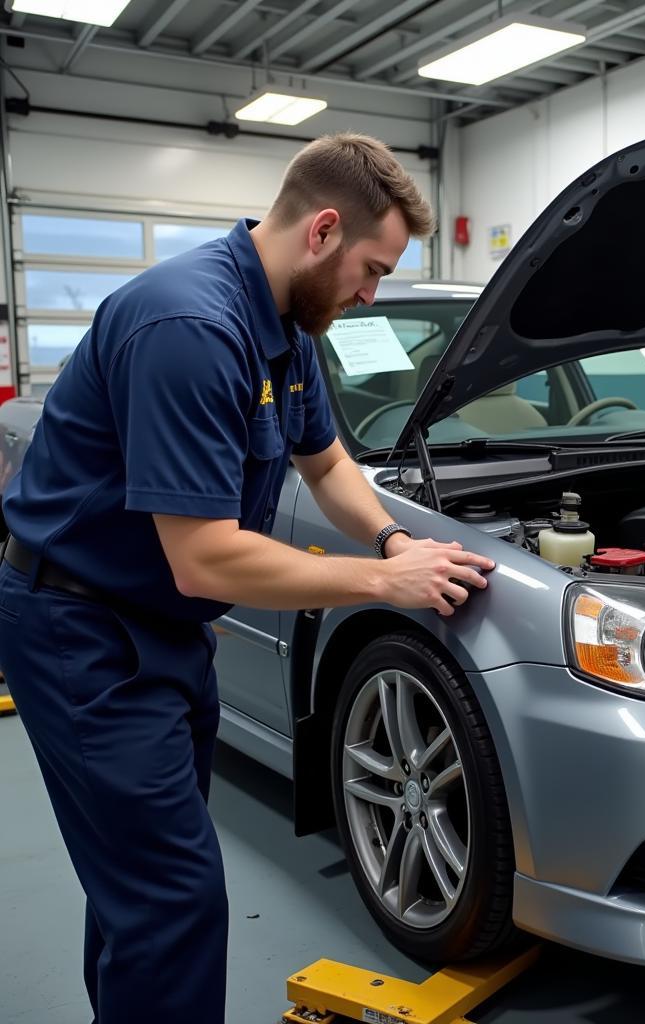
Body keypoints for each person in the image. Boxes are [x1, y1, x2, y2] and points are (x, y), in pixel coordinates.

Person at [0, 133, 494, 1024]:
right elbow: (203, 555)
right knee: (172, 897)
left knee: (140, 883)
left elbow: (329, 465)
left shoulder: (287, 326)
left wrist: (391, 541)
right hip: (80, 633)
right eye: (371, 270)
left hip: (160, 628)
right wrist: (382, 587)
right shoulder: (191, 327)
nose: (370, 294)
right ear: (324, 231)